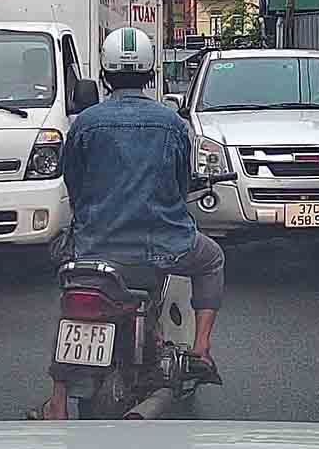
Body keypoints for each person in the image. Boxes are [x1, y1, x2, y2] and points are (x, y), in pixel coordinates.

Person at [37, 27, 224, 420]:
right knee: (212, 259)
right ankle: (202, 348)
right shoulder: (172, 124)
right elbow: (179, 185)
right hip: (164, 245)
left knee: (71, 293)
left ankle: (57, 399)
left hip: (93, 246)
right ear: (151, 73)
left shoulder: (85, 123)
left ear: (104, 75)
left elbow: (75, 183)